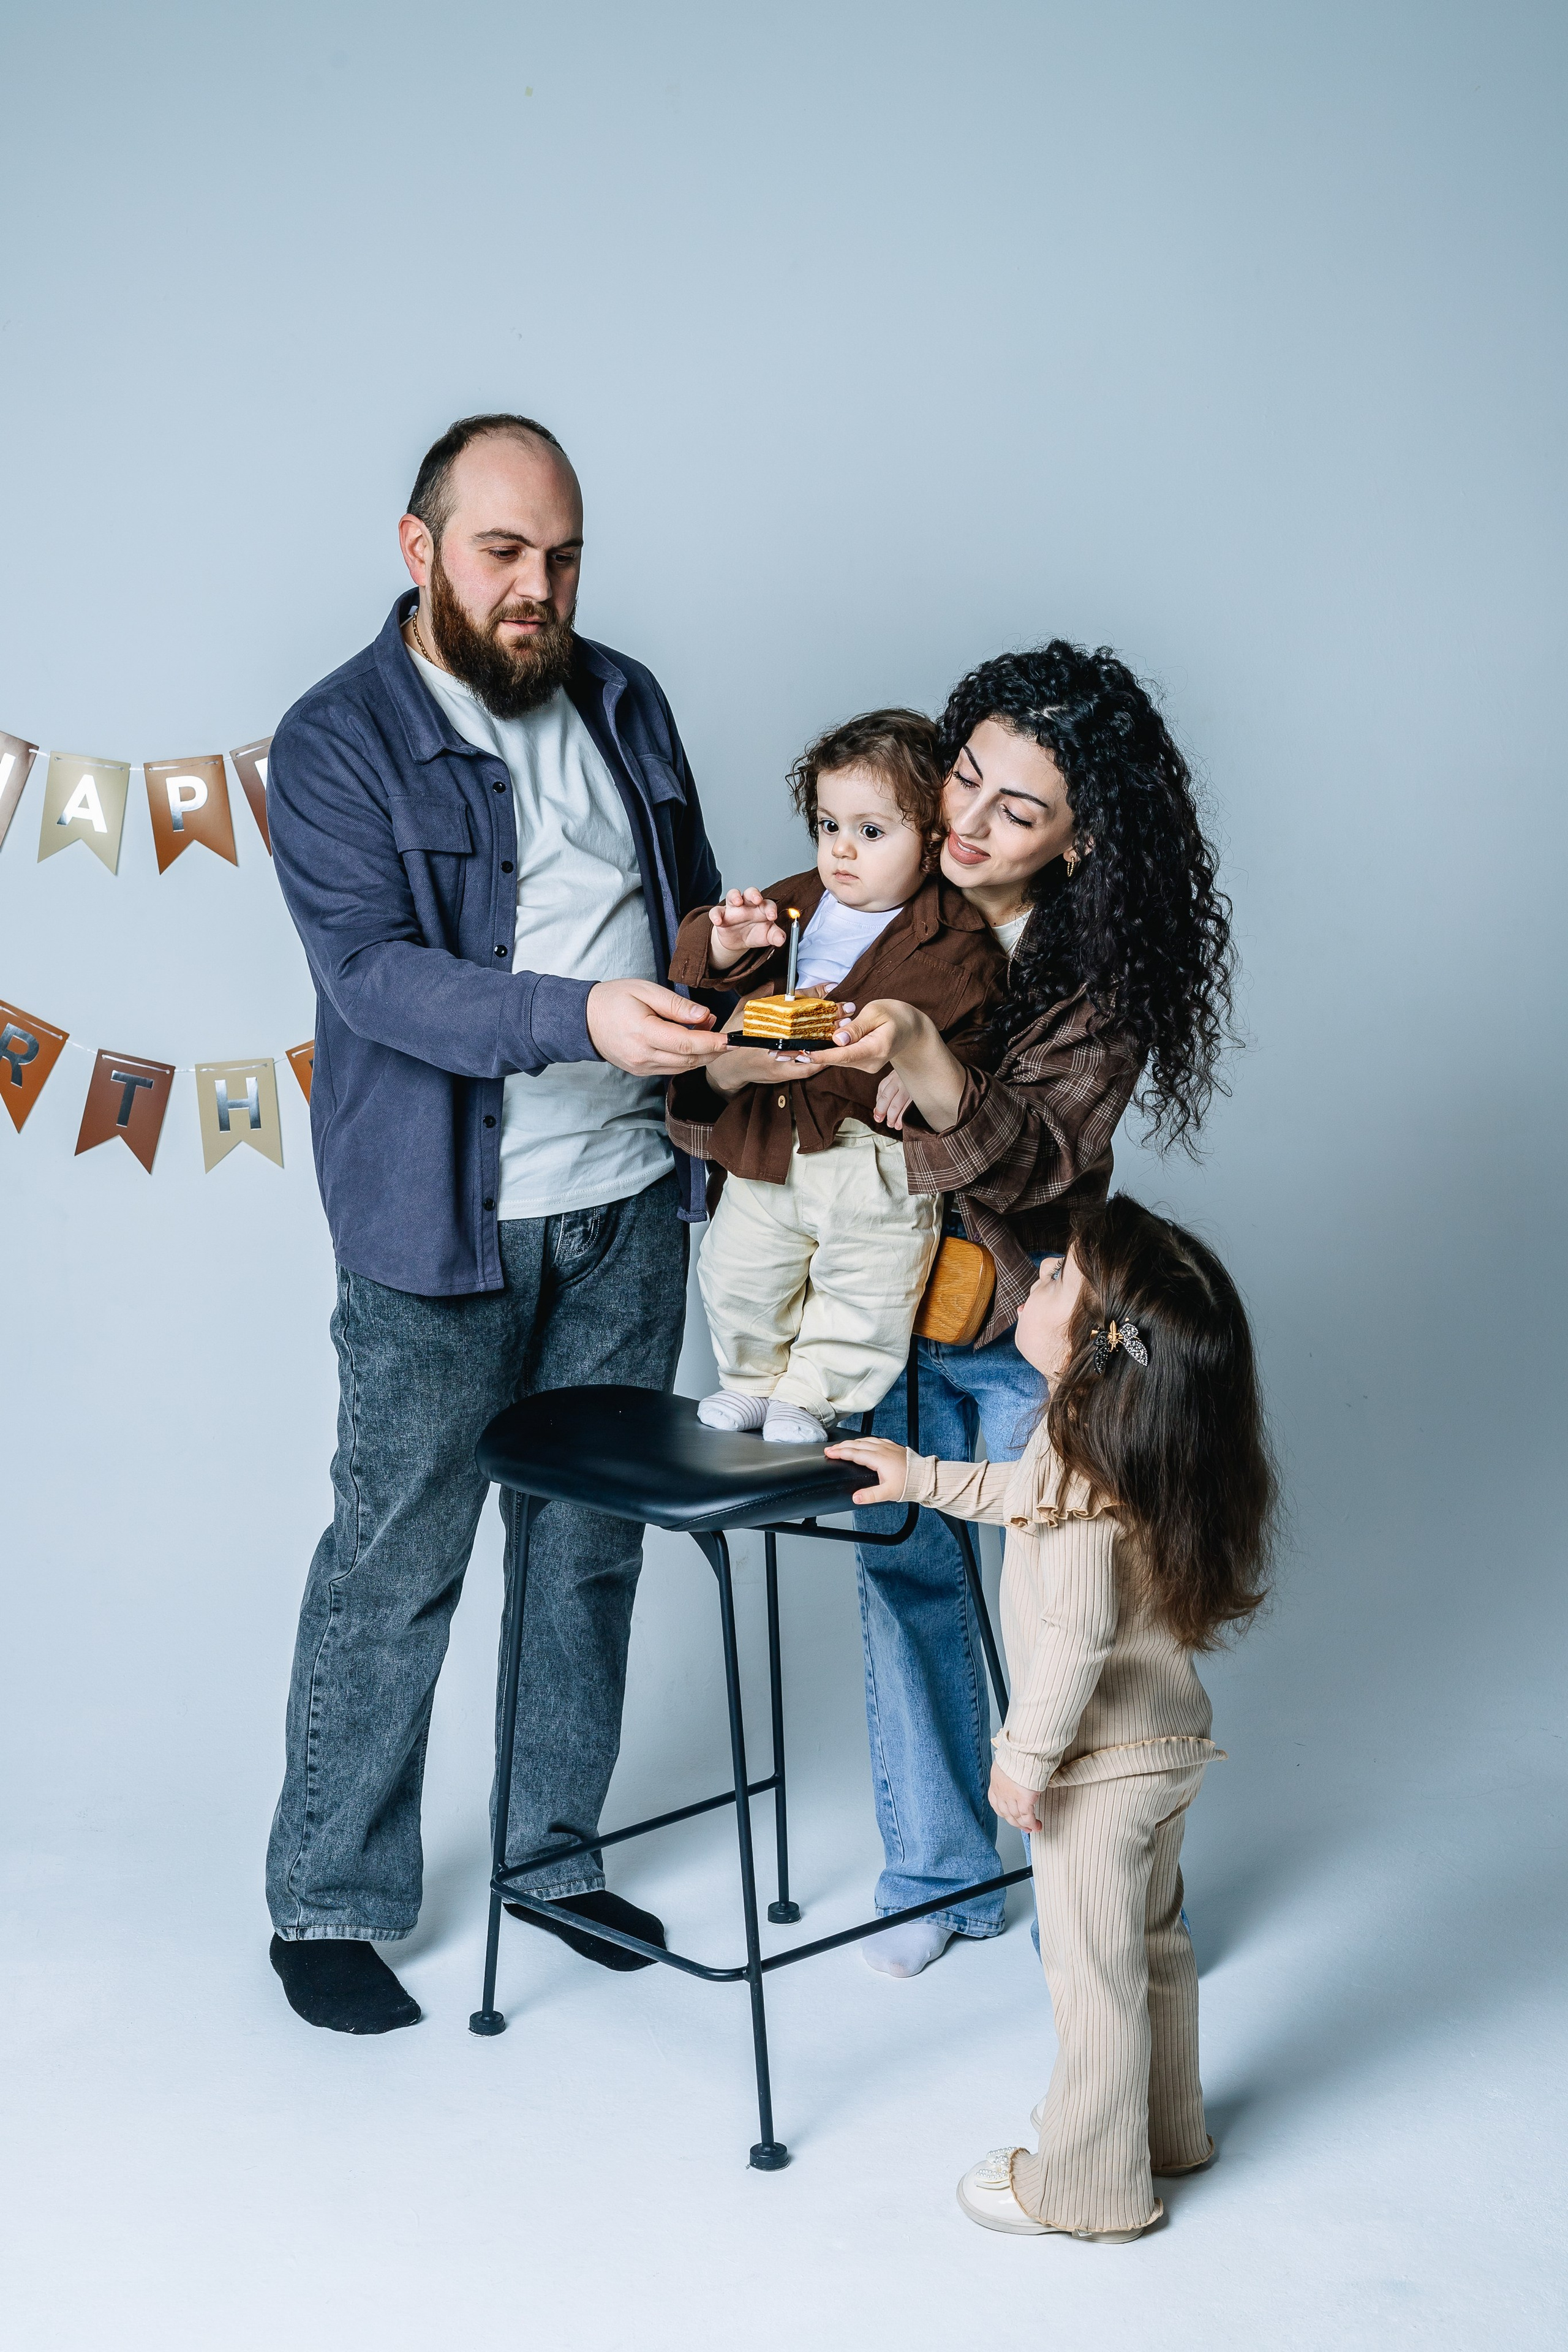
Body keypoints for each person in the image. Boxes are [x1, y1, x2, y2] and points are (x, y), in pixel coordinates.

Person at [264, 412, 729, 2034]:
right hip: (441, 1228)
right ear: (421, 550)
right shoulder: (334, 742)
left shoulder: (623, 697)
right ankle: (330, 1902)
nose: (541, 591)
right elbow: (380, 978)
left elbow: (671, 915)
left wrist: (717, 953)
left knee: (589, 1552)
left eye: (565, 556)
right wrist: (588, 1017)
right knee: (397, 1562)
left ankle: (554, 1857)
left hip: (628, 1209)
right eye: (504, 554)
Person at [807, 643, 1236, 1977]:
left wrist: (934, 1067)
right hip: (879, 1317)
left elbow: (1041, 1162)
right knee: (902, 1580)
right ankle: (939, 1883)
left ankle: (1125, 1883)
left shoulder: (1097, 981)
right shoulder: (878, 896)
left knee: (1082, 1595)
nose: (967, 825)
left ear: (1076, 843)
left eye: (1015, 811)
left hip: (1026, 1329)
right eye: (964, 782)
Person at [827, 1195, 1275, 2239]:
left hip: (1092, 1772)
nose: (1034, 1278)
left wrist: (1023, 1760)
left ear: (1099, 1343)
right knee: (1154, 1949)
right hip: (1166, 1750)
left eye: (1060, 1275)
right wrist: (921, 1477)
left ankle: (1087, 2186)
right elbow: (1023, 1496)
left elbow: (1074, 1631)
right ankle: (1169, 2133)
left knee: (1094, 1977)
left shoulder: (1078, 1458)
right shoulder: (1117, 1447)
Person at [665, 710, 1004, 1444]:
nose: (841, 850)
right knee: (738, 1271)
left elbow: (987, 1042)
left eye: (871, 832)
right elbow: (705, 941)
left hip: (867, 1153)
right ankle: (751, 1381)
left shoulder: (960, 937)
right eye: (827, 826)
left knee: (868, 1281)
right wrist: (723, 944)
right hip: (767, 1133)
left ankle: (813, 1396)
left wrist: (928, 1071)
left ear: (934, 841)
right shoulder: (796, 904)